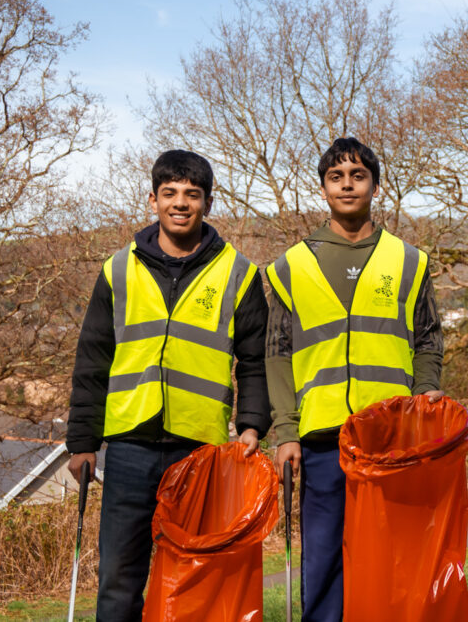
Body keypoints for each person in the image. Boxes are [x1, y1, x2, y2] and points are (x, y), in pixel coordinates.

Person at [66, 150, 270, 622]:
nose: (180, 203)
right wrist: (82, 442)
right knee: (119, 578)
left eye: (192, 194)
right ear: (153, 200)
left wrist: (252, 425)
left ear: (208, 203)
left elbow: (255, 361)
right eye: (170, 193)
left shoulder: (239, 273)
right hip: (128, 446)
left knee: (194, 577)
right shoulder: (118, 270)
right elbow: (92, 361)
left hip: (199, 448)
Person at [265, 137, 444, 622]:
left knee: (391, 554)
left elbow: (428, 338)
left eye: (358, 175)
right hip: (320, 438)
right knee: (323, 560)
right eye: (336, 177)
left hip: (392, 436)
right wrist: (285, 432)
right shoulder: (289, 267)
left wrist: (425, 395)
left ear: (375, 187)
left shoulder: (409, 261)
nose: (347, 185)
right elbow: (277, 355)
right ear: (323, 189)